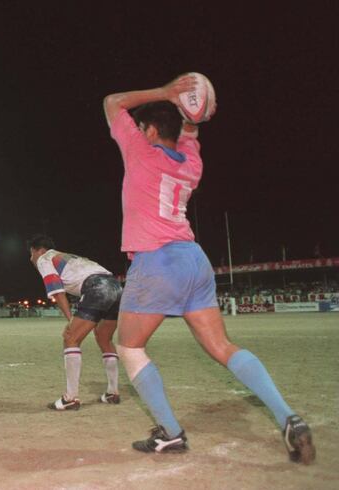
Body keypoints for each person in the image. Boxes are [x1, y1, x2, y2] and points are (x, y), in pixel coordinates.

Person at [103, 75, 315, 463]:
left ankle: (170, 433)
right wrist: (193, 114)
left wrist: (168, 94)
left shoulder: (141, 152)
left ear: (149, 130)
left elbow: (113, 101)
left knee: (128, 346)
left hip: (156, 260)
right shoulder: (191, 164)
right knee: (221, 346)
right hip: (193, 259)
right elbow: (188, 132)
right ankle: (289, 417)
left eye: (142, 128)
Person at [27, 234, 122, 411]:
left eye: (31, 254)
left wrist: (70, 320)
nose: (31, 258)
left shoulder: (44, 259)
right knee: (104, 338)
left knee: (71, 338)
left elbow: (57, 291)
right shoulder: (67, 256)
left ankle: (70, 398)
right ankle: (112, 392)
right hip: (116, 286)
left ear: (38, 250)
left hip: (97, 287)